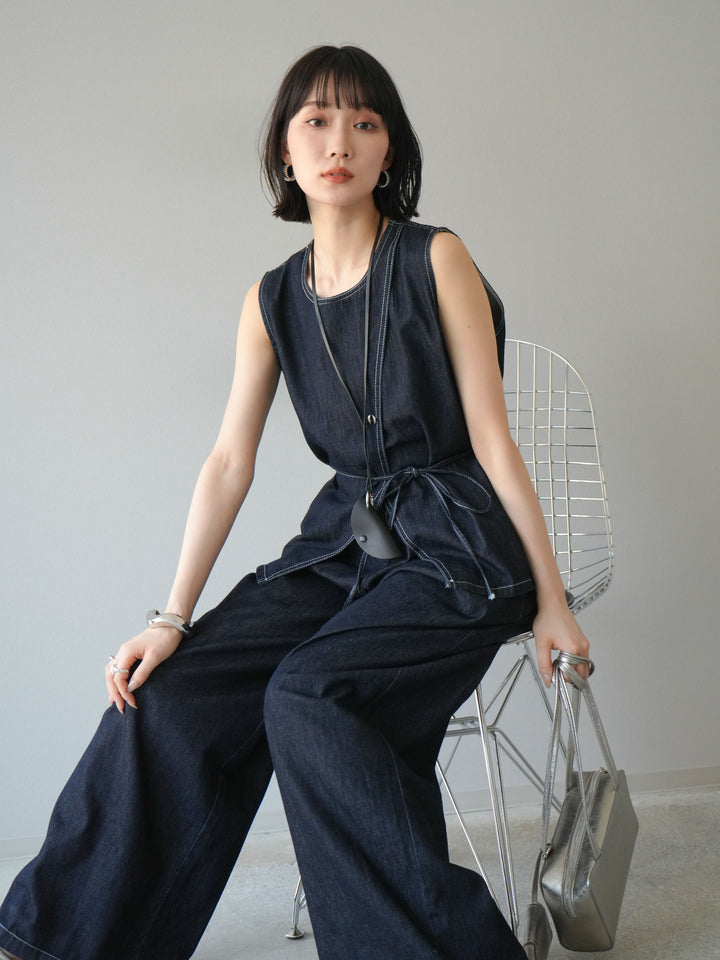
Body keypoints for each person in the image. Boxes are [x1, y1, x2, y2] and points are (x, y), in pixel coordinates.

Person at [0, 44, 589, 960]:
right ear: (284, 148)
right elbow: (228, 462)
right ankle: (64, 944)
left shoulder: (436, 257)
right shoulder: (272, 299)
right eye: (316, 120)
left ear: (389, 149)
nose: (338, 141)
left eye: (364, 121)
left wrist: (551, 600)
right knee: (173, 694)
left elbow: (491, 441)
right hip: (343, 545)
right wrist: (170, 618)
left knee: (310, 696)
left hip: (457, 548)